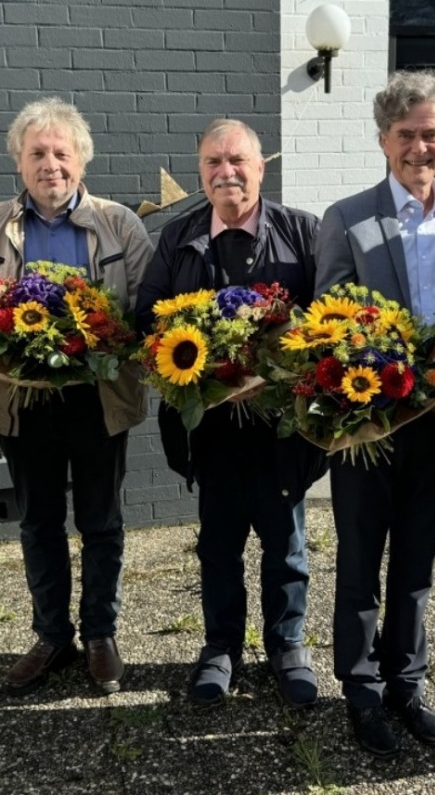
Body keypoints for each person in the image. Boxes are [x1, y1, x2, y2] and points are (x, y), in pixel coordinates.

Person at [0, 97, 153, 697]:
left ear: (81, 159)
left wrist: (108, 340)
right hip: (21, 401)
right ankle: (50, 634)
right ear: (19, 161)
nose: (51, 164)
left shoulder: (119, 225)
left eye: (61, 153)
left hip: (98, 397)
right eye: (37, 153)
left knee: (101, 521)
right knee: (38, 521)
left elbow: (143, 312)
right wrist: (4, 350)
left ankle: (100, 634)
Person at [315, 69, 435, 758]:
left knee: (416, 561)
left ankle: (406, 683)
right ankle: (360, 690)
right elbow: (327, 316)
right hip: (366, 422)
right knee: (360, 558)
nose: (420, 147)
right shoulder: (347, 216)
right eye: (407, 135)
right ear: (384, 139)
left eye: (432, 134)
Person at [136, 119, 326, 709]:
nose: (227, 173)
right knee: (218, 545)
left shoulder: (303, 233)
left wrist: (273, 374)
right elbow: (149, 326)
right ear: (201, 173)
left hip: (283, 429)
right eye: (214, 163)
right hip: (211, 430)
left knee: (286, 544)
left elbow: (327, 331)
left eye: (238, 161)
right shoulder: (177, 239)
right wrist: (207, 375)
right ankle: (220, 648)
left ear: (260, 167)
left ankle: (287, 646)